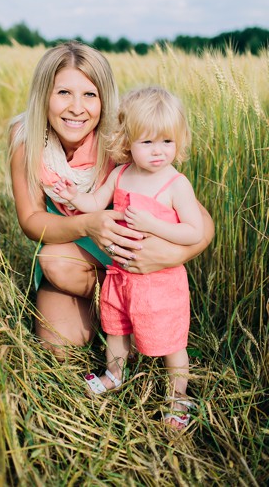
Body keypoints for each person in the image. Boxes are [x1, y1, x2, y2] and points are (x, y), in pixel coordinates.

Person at [7, 41, 213, 362]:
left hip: (125, 257)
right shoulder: (27, 138)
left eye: (90, 94)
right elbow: (31, 220)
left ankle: (140, 308)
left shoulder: (120, 139)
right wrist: (89, 222)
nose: (77, 107)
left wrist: (167, 256)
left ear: (105, 99)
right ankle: (117, 312)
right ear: (43, 95)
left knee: (59, 262)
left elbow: (204, 226)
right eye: (63, 93)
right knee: (58, 343)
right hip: (76, 249)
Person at [53, 86, 203, 429]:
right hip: (120, 276)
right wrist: (75, 196)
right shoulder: (120, 174)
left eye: (167, 142)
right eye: (147, 142)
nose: (158, 152)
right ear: (127, 140)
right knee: (116, 329)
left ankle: (178, 397)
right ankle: (114, 374)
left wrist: (153, 225)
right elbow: (96, 204)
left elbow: (193, 231)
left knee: (171, 342)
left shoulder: (176, 184)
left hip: (161, 283)